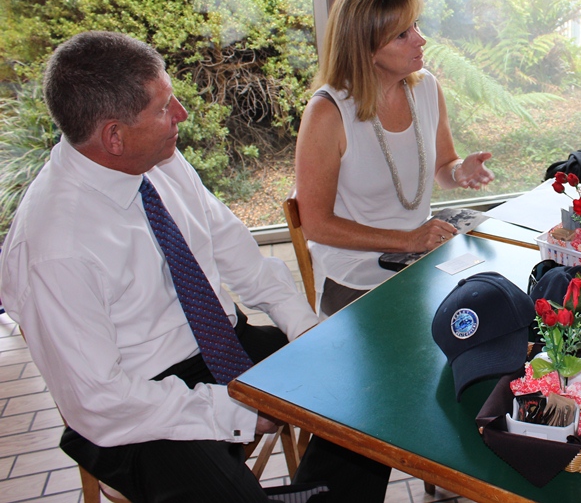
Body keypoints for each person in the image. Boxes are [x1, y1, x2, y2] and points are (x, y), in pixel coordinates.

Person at [0, 31, 391, 502]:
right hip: (134, 406)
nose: (181, 115)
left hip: (219, 344)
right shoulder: (53, 245)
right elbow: (98, 402)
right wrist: (236, 409)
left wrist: (304, 330)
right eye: (165, 108)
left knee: (369, 389)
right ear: (113, 137)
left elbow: (234, 248)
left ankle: (314, 493)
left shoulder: (158, 159)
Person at [294, 0, 494, 317]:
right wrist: (408, 240)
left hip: (419, 258)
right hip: (355, 274)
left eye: (415, 25)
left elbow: (444, 169)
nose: (421, 40)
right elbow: (315, 224)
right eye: (403, 34)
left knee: (491, 307)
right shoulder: (327, 112)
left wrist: (461, 171)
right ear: (366, 49)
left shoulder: (427, 87)